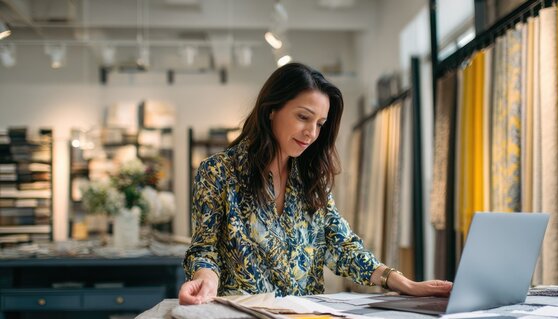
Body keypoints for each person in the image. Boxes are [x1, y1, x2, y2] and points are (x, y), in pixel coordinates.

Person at [179, 63, 452, 305]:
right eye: (303, 117)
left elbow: (342, 246)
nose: (312, 133)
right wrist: (207, 278)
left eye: (320, 123)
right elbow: (205, 248)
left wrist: (403, 283)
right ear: (272, 110)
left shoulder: (311, 178)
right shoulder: (219, 171)